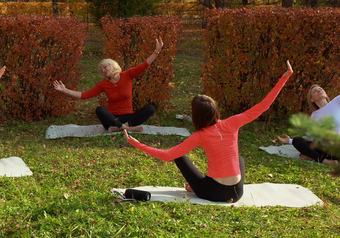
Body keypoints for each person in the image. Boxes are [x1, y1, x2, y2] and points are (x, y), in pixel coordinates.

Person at [125, 61, 293, 202]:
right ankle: (198, 186)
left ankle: (197, 187)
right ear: (215, 111)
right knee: (239, 159)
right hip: (237, 192)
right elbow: (263, 106)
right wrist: (284, 78)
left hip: (214, 193)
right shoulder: (232, 123)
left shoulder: (201, 135)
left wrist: (137, 144)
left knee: (179, 155)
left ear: (196, 116)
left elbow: (168, 155)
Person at [53, 38, 163, 133]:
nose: (103, 70)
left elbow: (144, 65)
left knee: (150, 109)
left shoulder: (127, 75)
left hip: (129, 117)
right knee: (100, 109)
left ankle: (121, 127)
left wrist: (156, 51)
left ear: (113, 65)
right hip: (112, 119)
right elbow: (85, 95)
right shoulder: (103, 84)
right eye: (102, 70)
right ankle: (127, 129)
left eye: (105, 67)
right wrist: (65, 90)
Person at [276, 84, 339, 165]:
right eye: (315, 91)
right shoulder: (314, 115)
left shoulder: (336, 102)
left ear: (326, 94)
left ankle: (312, 157)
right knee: (297, 140)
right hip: (327, 150)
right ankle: (325, 161)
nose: (319, 90)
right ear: (312, 99)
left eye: (320, 89)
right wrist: (290, 141)